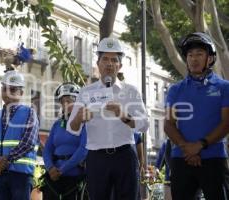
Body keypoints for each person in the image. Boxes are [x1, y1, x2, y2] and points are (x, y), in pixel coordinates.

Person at [67, 37, 149, 200]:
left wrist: (123, 115)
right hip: (97, 158)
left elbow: (144, 125)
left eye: (114, 60)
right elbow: (72, 128)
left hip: (125, 155)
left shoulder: (131, 91)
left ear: (120, 66)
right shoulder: (85, 92)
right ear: (98, 64)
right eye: (105, 59)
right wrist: (79, 118)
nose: (109, 63)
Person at [164, 32, 229, 200]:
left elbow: (226, 123)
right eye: (190, 55)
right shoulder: (175, 90)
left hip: (214, 158)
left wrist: (200, 145)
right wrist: (187, 147)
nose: (194, 59)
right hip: (181, 158)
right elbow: (168, 124)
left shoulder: (224, 87)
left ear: (210, 58)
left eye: (199, 54)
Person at [0, 70, 40, 200]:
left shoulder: (29, 113)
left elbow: (28, 142)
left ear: (21, 93)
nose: (8, 93)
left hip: (21, 175)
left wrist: (6, 160)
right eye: (4, 89)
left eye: (12, 90)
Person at [42, 82, 88, 200]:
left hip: (74, 178)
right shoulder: (57, 124)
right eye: (63, 102)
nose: (66, 104)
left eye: (69, 101)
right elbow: (47, 149)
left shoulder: (85, 123)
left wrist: (62, 170)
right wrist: (50, 168)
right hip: (54, 177)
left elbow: (83, 150)